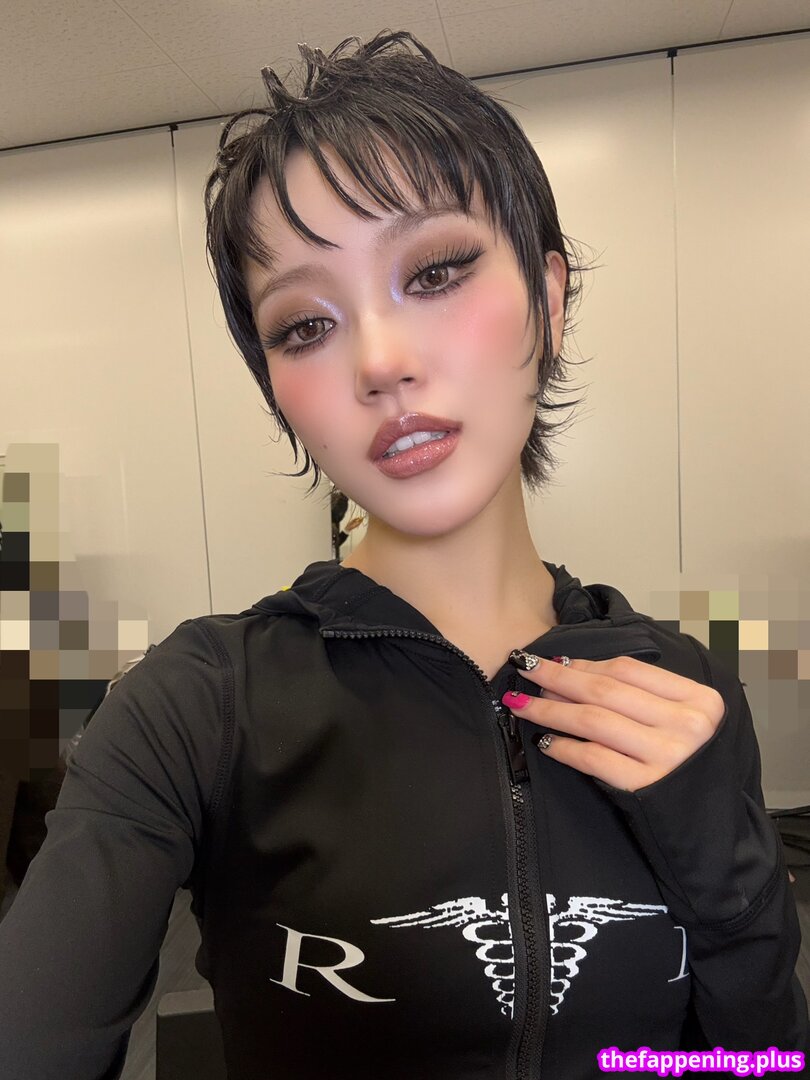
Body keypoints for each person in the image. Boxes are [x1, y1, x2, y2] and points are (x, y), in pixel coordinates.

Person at [0, 29, 806, 1080]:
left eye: (435, 271)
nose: (380, 361)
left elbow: (762, 1062)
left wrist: (732, 878)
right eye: (305, 326)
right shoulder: (198, 707)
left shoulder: (682, 693)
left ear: (551, 299)